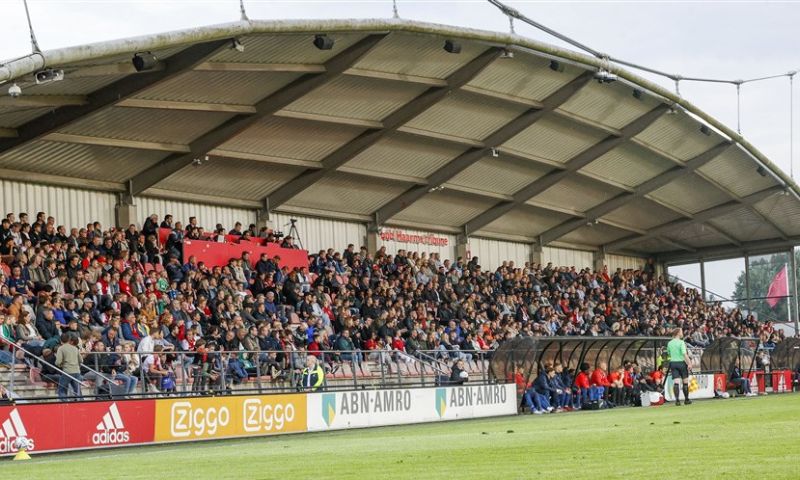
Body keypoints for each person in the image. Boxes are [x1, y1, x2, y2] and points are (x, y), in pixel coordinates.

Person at [667, 328, 692, 406]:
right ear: (678, 333)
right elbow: (684, 354)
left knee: (676, 382)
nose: (682, 333)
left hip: (673, 363)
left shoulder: (669, 343)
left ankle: (677, 400)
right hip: (681, 363)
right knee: (685, 382)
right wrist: (689, 363)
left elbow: (669, 353)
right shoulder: (681, 342)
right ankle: (686, 400)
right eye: (681, 332)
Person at [55, 334, 83, 400]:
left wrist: (60, 365)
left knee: (61, 390)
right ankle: (82, 405)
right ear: (69, 340)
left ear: (60, 340)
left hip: (67, 371)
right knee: (78, 391)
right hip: (77, 372)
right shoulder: (75, 348)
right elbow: (81, 360)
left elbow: (58, 362)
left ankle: (64, 405)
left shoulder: (61, 348)